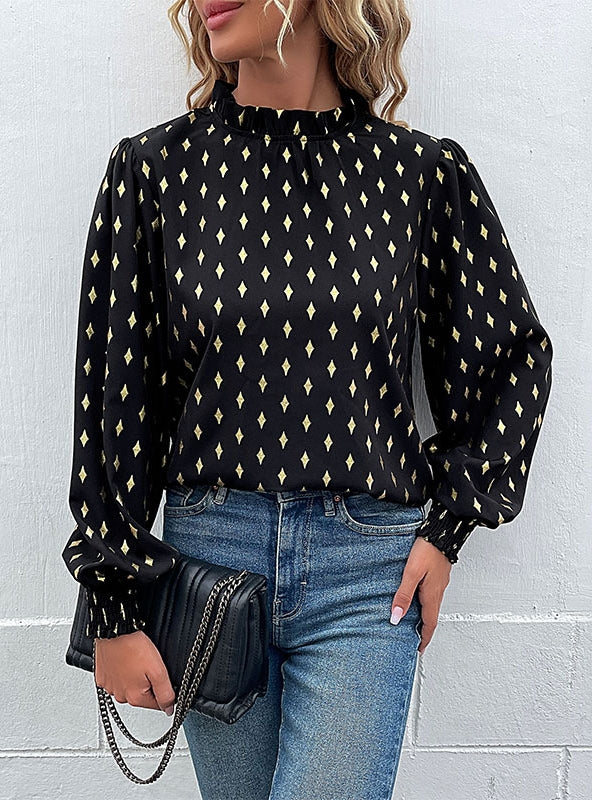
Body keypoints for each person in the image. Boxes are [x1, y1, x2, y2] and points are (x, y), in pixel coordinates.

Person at [61, 1, 554, 797]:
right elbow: (113, 404)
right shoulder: (155, 173)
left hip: (368, 574)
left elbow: (511, 359)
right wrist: (113, 605)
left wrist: (448, 529)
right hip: (210, 564)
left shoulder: (418, 174)